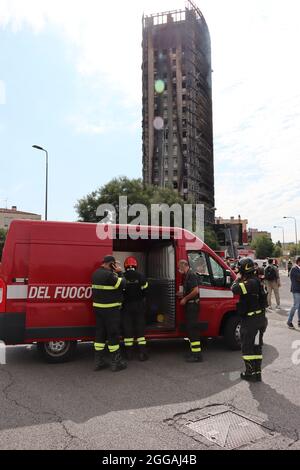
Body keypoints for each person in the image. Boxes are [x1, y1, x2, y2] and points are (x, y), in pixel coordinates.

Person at [232, 258, 268, 382]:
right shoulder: (257, 281)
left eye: (240, 268)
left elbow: (234, 289)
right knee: (257, 347)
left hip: (251, 321)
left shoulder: (250, 283)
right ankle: (257, 373)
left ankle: (249, 373)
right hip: (260, 319)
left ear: (244, 269)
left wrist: (237, 278)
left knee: (247, 347)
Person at [92, 255, 127, 372]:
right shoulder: (109, 275)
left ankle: (99, 362)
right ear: (111, 263)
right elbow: (122, 284)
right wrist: (120, 272)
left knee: (100, 334)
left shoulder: (96, 273)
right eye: (114, 264)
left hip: (98, 309)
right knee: (113, 334)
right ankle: (116, 363)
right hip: (110, 309)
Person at [122, 256, 149, 361]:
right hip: (139, 305)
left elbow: (119, 291)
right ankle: (142, 353)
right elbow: (146, 290)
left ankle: (129, 354)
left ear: (125, 266)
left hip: (126, 306)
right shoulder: (141, 276)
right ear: (135, 265)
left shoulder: (123, 277)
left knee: (127, 329)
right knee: (140, 329)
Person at [177, 260, 202, 363]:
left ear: (184, 265)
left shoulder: (191, 275)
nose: (179, 269)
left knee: (193, 330)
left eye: (179, 267)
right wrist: (180, 294)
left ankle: (197, 355)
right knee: (190, 330)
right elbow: (189, 290)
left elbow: (196, 291)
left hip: (192, 305)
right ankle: (193, 352)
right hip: (190, 305)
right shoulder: (187, 275)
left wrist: (185, 299)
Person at [287, 256, 300, 329]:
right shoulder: (294, 269)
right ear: (298, 262)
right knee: (296, 305)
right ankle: (289, 321)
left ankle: (299, 321)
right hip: (296, 290)